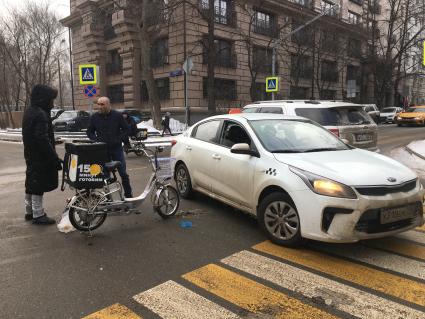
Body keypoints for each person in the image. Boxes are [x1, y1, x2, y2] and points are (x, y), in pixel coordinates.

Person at [22, 84, 62, 225]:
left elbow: (34, 136)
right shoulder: (41, 114)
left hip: (31, 154)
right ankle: (38, 215)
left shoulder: (29, 111)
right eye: (51, 99)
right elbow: (42, 139)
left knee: (31, 183)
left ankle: (30, 211)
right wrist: (54, 158)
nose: (52, 103)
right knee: (38, 185)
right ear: (43, 99)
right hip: (41, 157)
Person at [87, 97, 133, 198]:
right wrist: (96, 140)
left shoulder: (117, 115)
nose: (99, 107)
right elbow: (89, 131)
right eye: (98, 104)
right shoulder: (94, 117)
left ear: (108, 104)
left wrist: (118, 139)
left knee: (123, 174)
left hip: (116, 149)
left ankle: (129, 196)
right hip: (103, 151)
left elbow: (127, 130)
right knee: (105, 176)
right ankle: (108, 199)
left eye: (102, 104)